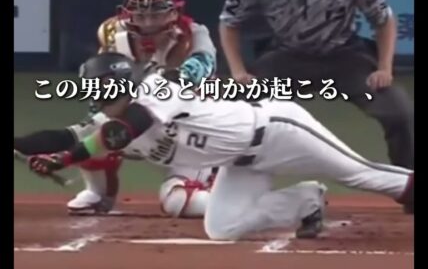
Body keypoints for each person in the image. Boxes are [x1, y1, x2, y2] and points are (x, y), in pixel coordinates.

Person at [27, 52, 414, 241]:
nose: (95, 97)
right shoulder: (111, 121)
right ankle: (306, 200)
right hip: (239, 161)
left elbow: (124, 132)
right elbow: (83, 138)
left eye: (99, 88)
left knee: (361, 175)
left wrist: (65, 159)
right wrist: (51, 155)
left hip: (276, 129)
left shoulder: (157, 88)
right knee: (223, 228)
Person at [218, 0, 414, 173]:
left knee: (398, 111)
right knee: (234, 110)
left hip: (345, 56)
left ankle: (408, 180)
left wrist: (384, 68)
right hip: (286, 57)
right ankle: (221, 180)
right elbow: (229, 22)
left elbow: (383, 20)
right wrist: (238, 71)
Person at [15, 0, 217, 218]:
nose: (148, 24)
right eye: (141, 16)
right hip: (137, 116)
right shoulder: (112, 34)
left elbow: (203, 65)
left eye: (156, 15)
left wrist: (165, 80)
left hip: (188, 126)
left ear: (173, 14)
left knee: (180, 202)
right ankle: (98, 192)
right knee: (96, 131)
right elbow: (75, 131)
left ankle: (218, 186)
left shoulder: (193, 34)